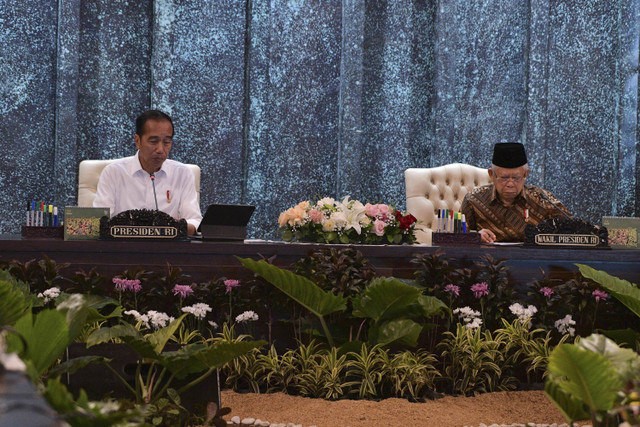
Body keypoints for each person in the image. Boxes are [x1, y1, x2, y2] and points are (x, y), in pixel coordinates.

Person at [93, 110, 202, 236]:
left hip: (168, 250)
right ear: (138, 141)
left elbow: (194, 220)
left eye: (166, 142)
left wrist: (180, 227)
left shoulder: (182, 173)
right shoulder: (113, 172)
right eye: (153, 142)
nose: (160, 149)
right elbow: (100, 222)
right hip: (123, 249)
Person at [460, 142, 571, 243]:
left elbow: (572, 229)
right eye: (504, 178)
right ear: (491, 175)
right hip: (487, 261)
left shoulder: (542, 199)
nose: (510, 184)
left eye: (517, 178)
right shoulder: (474, 200)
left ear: (526, 174)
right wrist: (476, 236)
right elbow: (456, 236)